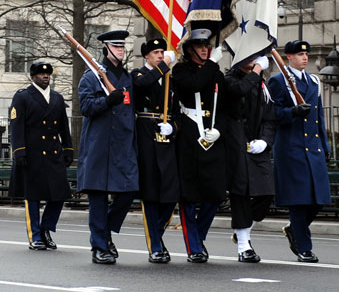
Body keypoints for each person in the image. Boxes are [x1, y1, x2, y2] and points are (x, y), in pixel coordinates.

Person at [77, 30, 138, 265]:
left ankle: (106, 231)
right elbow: (86, 107)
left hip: (123, 146)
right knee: (98, 198)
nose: (121, 50)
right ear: (106, 48)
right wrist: (106, 101)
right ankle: (99, 246)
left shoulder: (127, 78)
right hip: (99, 146)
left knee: (128, 192)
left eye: (123, 46)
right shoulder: (91, 76)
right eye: (116, 46)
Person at [268, 40, 331, 263]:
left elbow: (318, 116)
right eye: (299, 54)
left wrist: (325, 145)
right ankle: (304, 247)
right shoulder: (278, 81)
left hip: (313, 148)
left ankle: (295, 229)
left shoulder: (314, 80)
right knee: (299, 200)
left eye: (306, 54)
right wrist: (292, 112)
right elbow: (272, 114)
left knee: (319, 199)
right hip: (291, 147)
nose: (304, 57)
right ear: (289, 58)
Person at [172, 28, 227, 263]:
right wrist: (213, 64)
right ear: (189, 48)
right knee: (189, 196)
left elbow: (226, 106)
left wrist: (219, 129)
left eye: (208, 45)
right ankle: (194, 246)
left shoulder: (216, 73)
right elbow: (194, 85)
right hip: (189, 137)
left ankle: (198, 237)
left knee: (215, 194)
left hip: (211, 137)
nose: (205, 49)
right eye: (200, 45)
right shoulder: (181, 70)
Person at [9, 61, 73, 250]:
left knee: (60, 194)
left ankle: (46, 228)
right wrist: (19, 151)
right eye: (41, 74)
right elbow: (16, 125)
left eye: (48, 74)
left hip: (53, 153)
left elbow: (63, 126)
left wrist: (68, 149)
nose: (46, 76)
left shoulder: (57, 98)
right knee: (33, 197)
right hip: (32, 153)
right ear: (32, 77)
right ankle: (35, 236)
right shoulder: (22, 97)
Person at [131, 37, 179, 264]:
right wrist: (164, 66)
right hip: (147, 135)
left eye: (162, 52)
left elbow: (178, 110)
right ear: (147, 56)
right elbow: (142, 86)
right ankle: (155, 246)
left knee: (171, 193)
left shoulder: (170, 78)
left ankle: (157, 234)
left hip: (166, 137)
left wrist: (174, 126)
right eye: (156, 52)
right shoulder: (139, 74)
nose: (161, 55)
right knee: (151, 194)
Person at [224, 56, 276, 263]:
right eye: (251, 56)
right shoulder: (230, 79)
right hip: (235, 144)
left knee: (266, 193)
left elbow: (270, 117)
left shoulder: (262, 84)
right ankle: (244, 245)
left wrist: (265, 141)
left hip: (256, 146)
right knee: (241, 194)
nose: (256, 60)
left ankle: (242, 230)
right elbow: (239, 91)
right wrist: (256, 70)